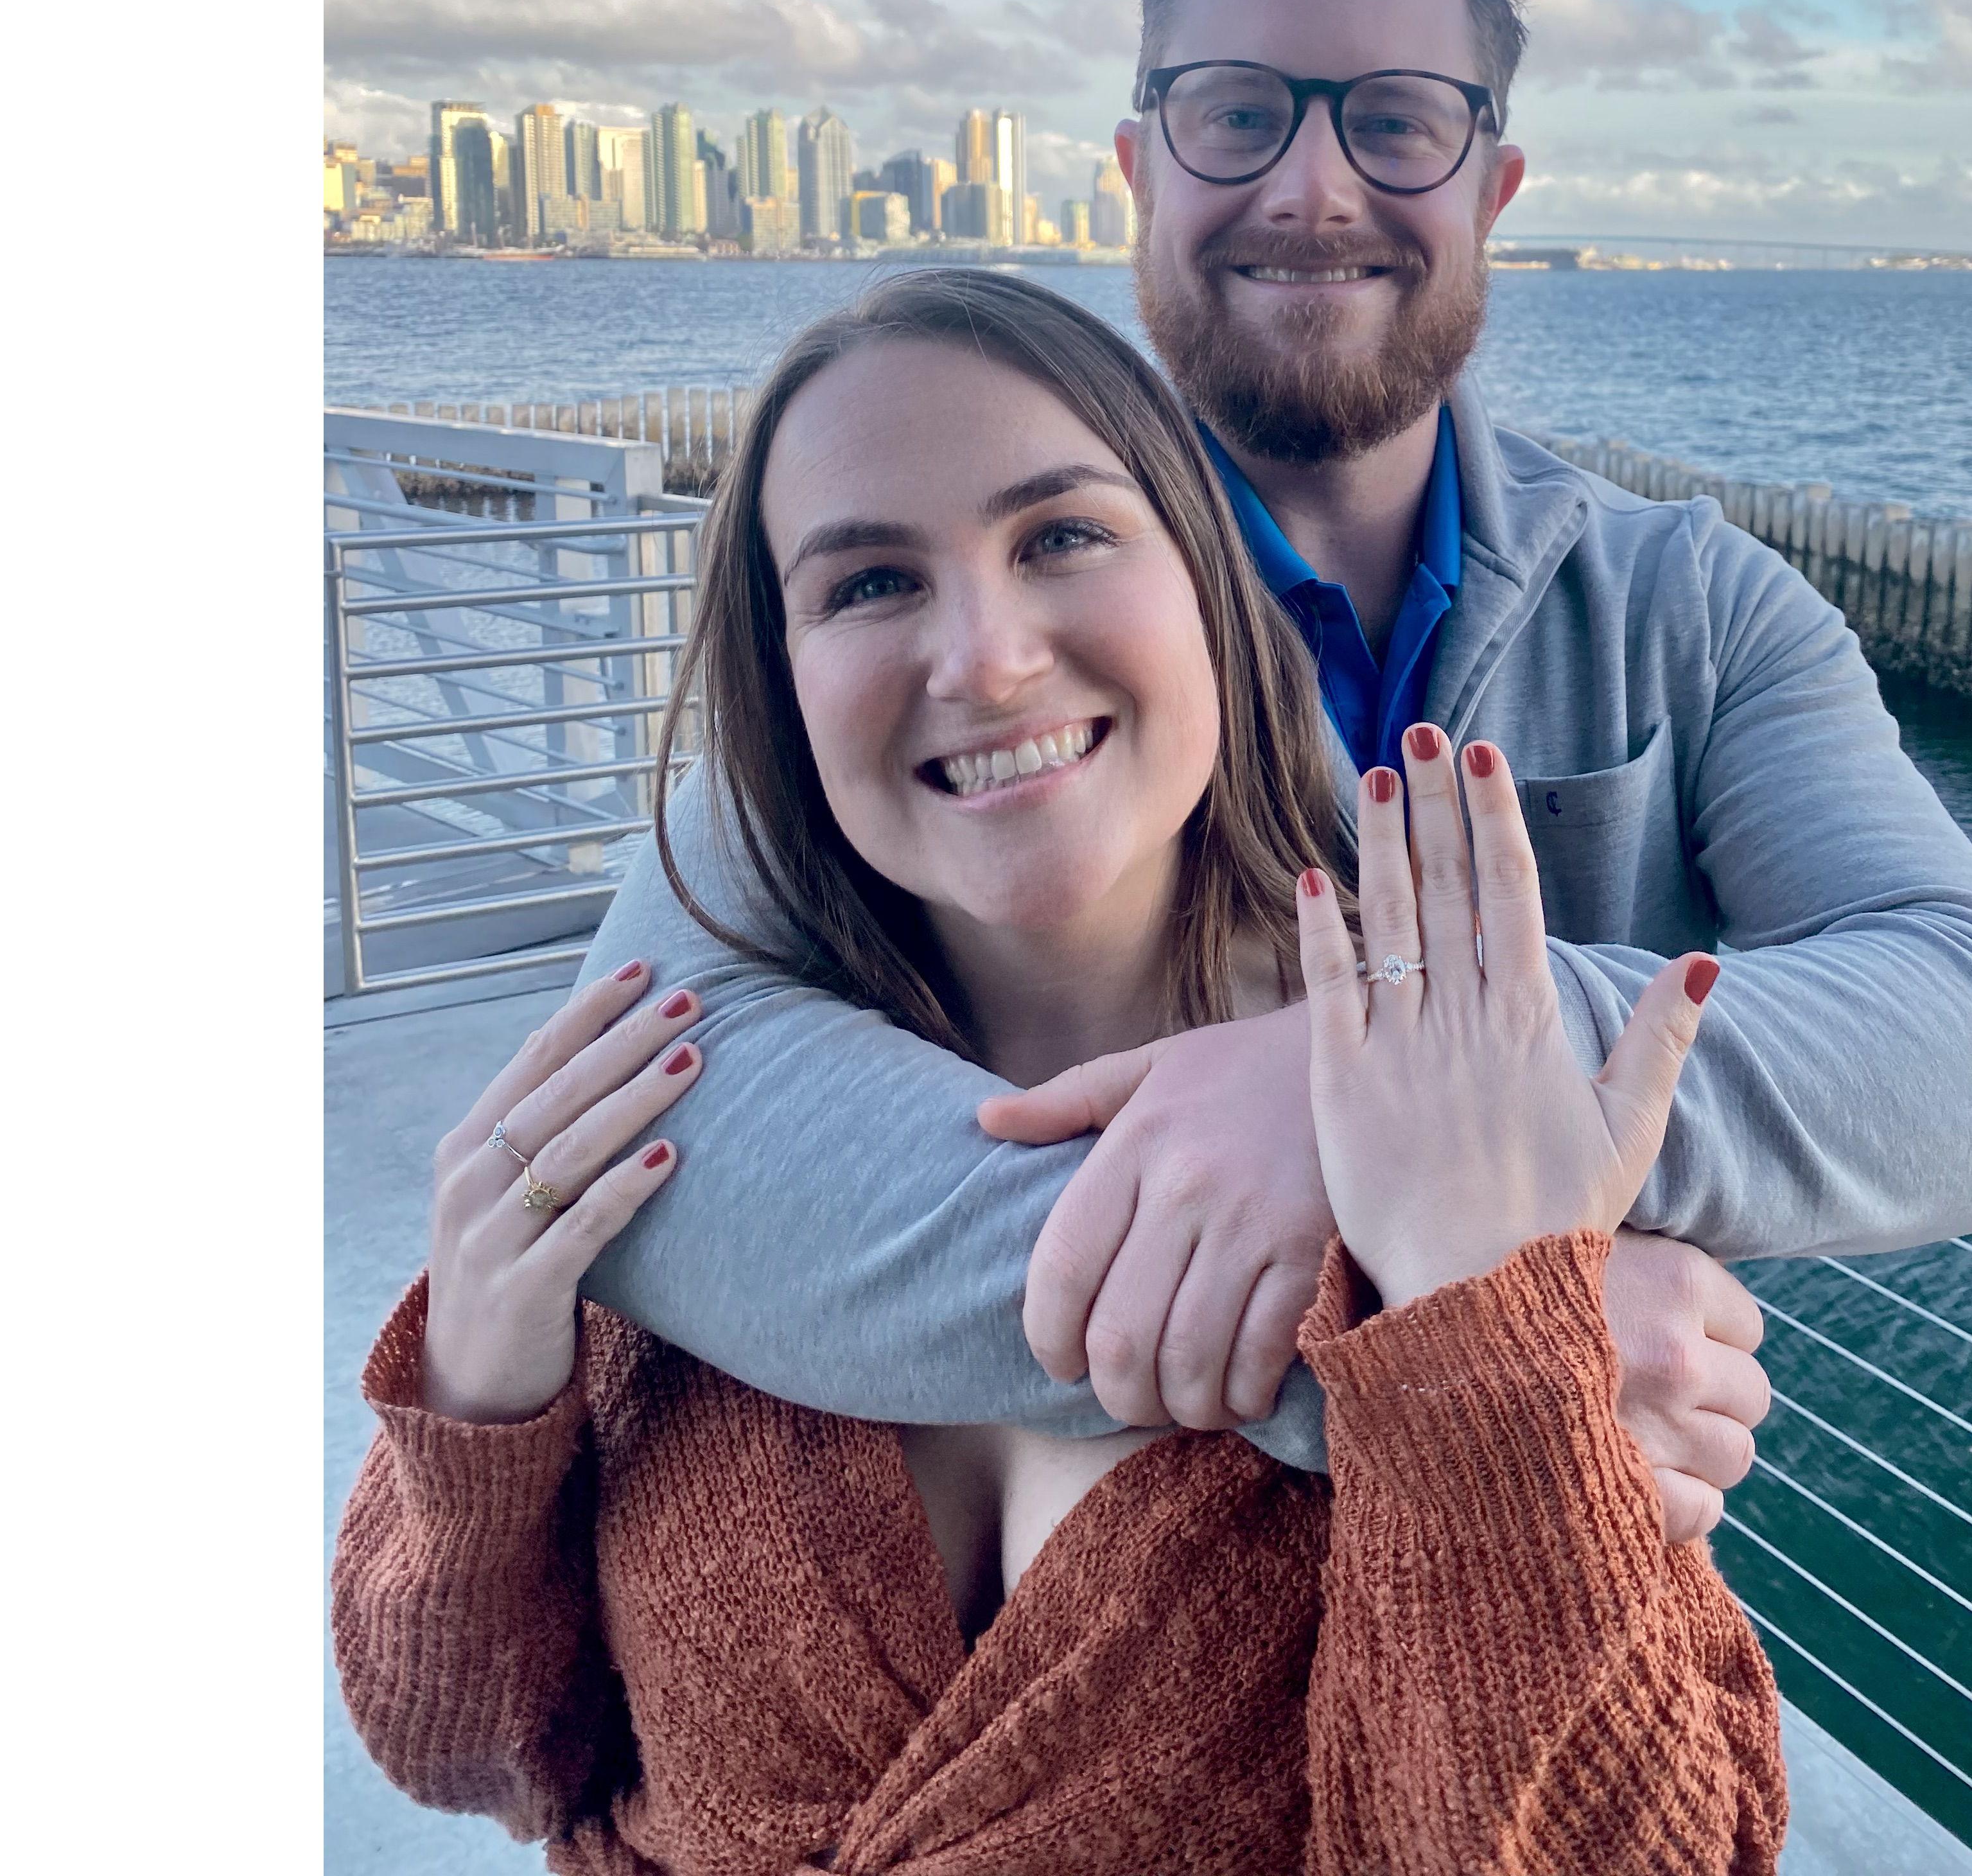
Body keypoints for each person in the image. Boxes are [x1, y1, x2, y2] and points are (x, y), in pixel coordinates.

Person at [572, 0, 1972, 1520]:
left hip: (1551, 1631)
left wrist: (1380, 1082)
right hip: (1068, 1632)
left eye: (1393, 120)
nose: (1312, 188)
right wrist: (1458, 1344)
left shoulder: (1696, 609)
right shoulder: (980, 595)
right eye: (1239, 113)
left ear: (1492, 189)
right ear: (1139, 168)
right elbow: (671, 1115)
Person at [333, 272, 1790, 1873]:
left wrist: (1483, 1377)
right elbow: (477, 1752)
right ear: (785, 678)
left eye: (1062, 537)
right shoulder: (684, 1125)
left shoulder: (1446, 1128)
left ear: (1215, 593)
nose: (988, 657)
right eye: (871, 582)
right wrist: (480, 1406)